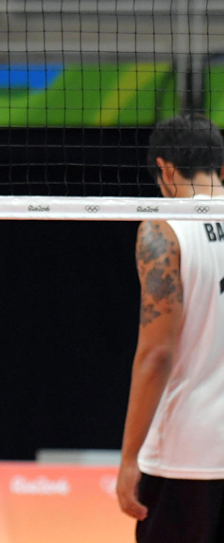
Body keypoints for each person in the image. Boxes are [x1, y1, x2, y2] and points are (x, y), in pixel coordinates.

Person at [116, 114, 224, 543]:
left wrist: (128, 459)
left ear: (164, 169)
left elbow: (156, 354)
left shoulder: (163, 229)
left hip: (187, 456)